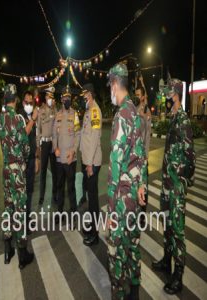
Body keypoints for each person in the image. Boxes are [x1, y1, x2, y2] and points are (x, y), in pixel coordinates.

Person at [107, 63, 147, 299]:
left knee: (117, 255)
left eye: (110, 87)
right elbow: (141, 156)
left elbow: (115, 166)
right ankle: (134, 294)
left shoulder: (121, 115)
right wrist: (142, 185)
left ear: (114, 85)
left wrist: (111, 211)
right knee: (133, 248)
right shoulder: (136, 112)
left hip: (121, 200)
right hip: (134, 198)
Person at [152, 79, 195, 295]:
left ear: (177, 94)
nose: (167, 96)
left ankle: (178, 275)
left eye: (170, 93)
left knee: (177, 230)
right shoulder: (173, 117)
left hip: (176, 185)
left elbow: (190, 156)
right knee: (167, 223)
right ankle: (167, 260)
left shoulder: (184, 120)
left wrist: (182, 183)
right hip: (167, 184)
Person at [0, 84, 34, 269]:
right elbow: (26, 147)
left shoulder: (1, 120)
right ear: (16, 99)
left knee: (8, 208)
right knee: (19, 210)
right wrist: (24, 160)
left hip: (5, 172)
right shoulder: (19, 119)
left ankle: (7, 250)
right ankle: (22, 253)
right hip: (18, 172)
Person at [53, 86, 80, 224]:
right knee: (59, 186)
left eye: (69, 97)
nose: (67, 99)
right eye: (65, 97)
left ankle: (74, 210)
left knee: (71, 186)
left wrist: (73, 150)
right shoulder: (57, 115)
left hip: (70, 158)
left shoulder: (74, 115)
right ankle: (59, 211)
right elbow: (54, 135)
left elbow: (77, 135)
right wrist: (55, 147)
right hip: (59, 158)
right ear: (61, 99)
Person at [80, 83, 102, 246]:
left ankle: (95, 234)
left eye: (85, 95)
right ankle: (92, 227)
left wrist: (89, 164)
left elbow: (94, 139)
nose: (83, 98)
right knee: (90, 196)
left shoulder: (94, 110)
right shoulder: (88, 110)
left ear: (91, 94)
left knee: (93, 199)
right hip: (87, 160)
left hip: (92, 162)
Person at [21, 91, 39, 230]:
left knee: (30, 191)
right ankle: (23, 221)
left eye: (31, 102)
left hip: (32, 159)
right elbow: (24, 133)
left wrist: (37, 158)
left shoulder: (32, 117)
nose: (29, 104)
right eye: (26, 102)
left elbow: (35, 138)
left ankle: (27, 217)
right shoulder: (20, 117)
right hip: (24, 162)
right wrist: (32, 119)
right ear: (22, 103)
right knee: (24, 192)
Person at [37, 86, 57, 205]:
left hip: (52, 143)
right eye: (49, 96)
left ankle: (55, 195)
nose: (50, 98)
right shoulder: (41, 110)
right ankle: (41, 196)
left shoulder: (55, 109)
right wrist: (38, 147)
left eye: (52, 97)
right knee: (43, 171)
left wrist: (54, 108)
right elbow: (38, 129)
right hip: (44, 143)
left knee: (54, 171)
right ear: (45, 97)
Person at [135, 84, 151, 226]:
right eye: (136, 95)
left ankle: (142, 216)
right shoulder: (134, 109)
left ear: (143, 96)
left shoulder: (146, 111)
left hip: (143, 157)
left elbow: (147, 136)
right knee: (135, 184)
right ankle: (135, 211)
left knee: (143, 186)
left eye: (139, 95)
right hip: (134, 156)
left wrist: (145, 155)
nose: (137, 97)